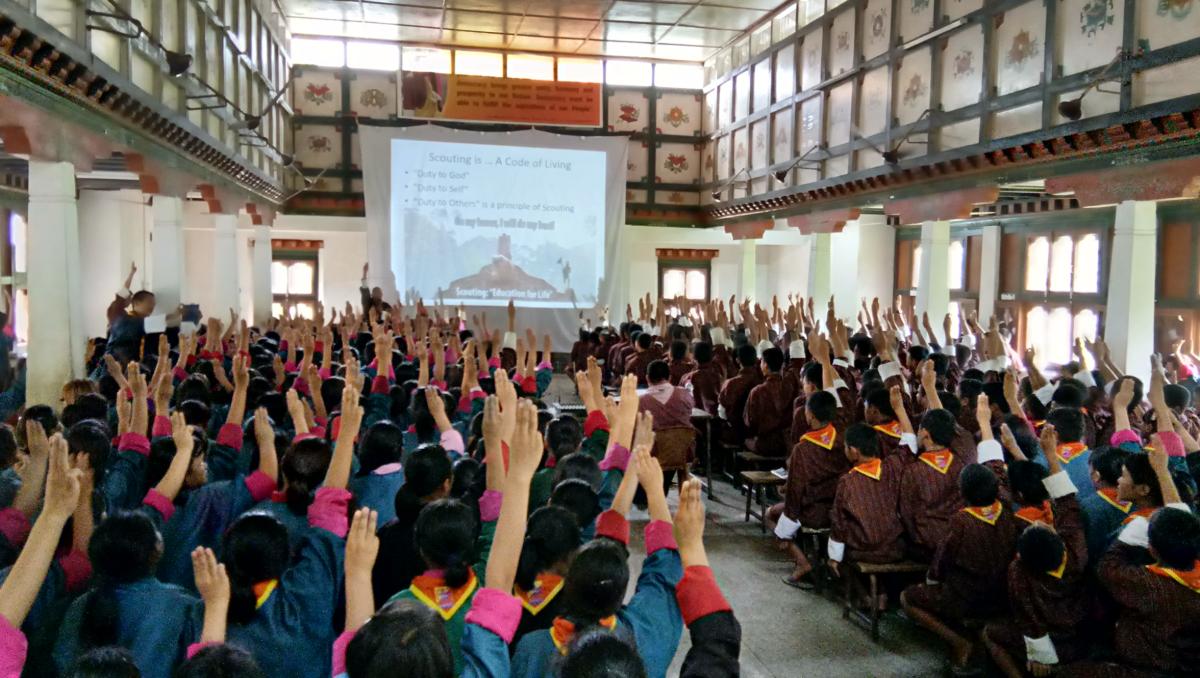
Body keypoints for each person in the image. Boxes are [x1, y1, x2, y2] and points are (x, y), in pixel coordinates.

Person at [983, 425, 1092, 678]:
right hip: (1079, 636)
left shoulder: (1019, 567)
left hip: (1050, 637)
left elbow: (1027, 614)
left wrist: (1039, 651)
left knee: (990, 633)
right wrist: (1050, 456)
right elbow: (1067, 503)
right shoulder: (1075, 551)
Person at [901, 462, 1020, 671]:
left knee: (907, 598)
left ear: (963, 492)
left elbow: (942, 560)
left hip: (965, 598)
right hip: (1002, 596)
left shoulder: (961, 521)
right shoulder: (1008, 513)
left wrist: (932, 580)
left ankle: (958, 642)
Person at [826, 423, 907, 576]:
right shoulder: (892, 468)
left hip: (865, 550)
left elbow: (839, 521)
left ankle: (864, 593)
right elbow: (907, 448)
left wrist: (834, 557)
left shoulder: (848, 481)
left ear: (854, 451)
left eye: (846, 447)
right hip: (895, 548)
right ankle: (881, 591)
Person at [897, 398, 968, 559]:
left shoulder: (913, 470)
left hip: (926, 545)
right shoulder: (961, 465)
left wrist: (916, 538)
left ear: (926, 434)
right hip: (958, 543)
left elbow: (906, 513)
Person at [638, 360, 696, 494]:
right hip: (682, 452)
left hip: (653, 454)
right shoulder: (684, 395)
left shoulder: (641, 401)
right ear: (669, 377)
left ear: (647, 378)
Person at [744, 347, 798, 459]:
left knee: (745, 440)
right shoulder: (790, 387)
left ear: (766, 365)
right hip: (786, 443)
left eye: (762, 361)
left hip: (765, 444)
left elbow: (749, 422)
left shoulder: (757, 391)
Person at [717, 344, 762, 446]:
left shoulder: (730, 383)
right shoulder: (761, 382)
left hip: (735, 433)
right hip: (757, 434)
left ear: (737, 360)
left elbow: (722, 413)